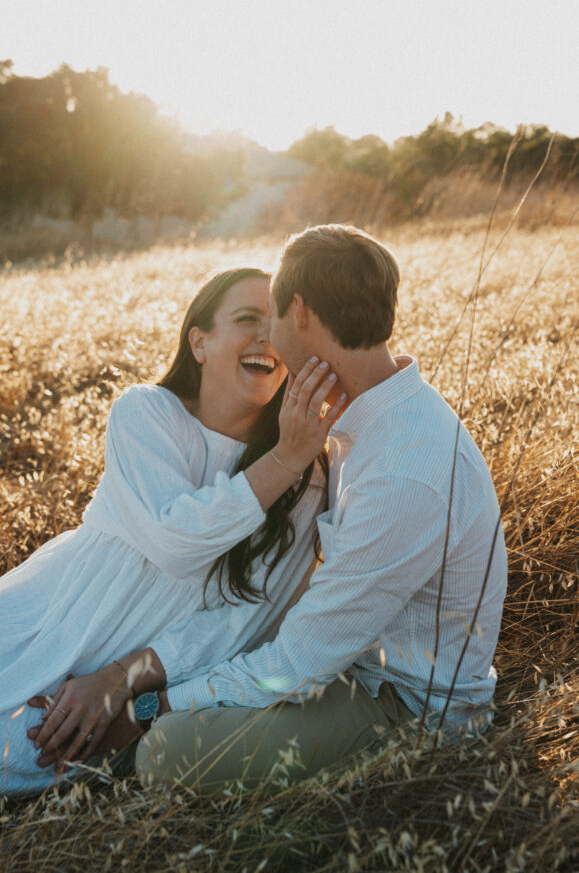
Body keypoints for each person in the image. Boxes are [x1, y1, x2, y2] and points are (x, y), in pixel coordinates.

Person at [29, 224, 507, 790]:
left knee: (168, 751)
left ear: (299, 313)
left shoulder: (402, 469)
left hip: (406, 706)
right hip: (347, 661)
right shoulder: (365, 419)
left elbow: (296, 665)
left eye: (272, 314)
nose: (269, 334)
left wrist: (149, 708)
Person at [0, 267, 346, 813]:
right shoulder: (147, 412)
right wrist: (284, 459)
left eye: (275, 326)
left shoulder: (306, 479)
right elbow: (175, 540)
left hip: (117, 675)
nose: (263, 337)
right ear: (198, 342)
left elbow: (245, 624)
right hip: (48, 608)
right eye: (246, 319)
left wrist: (121, 679)